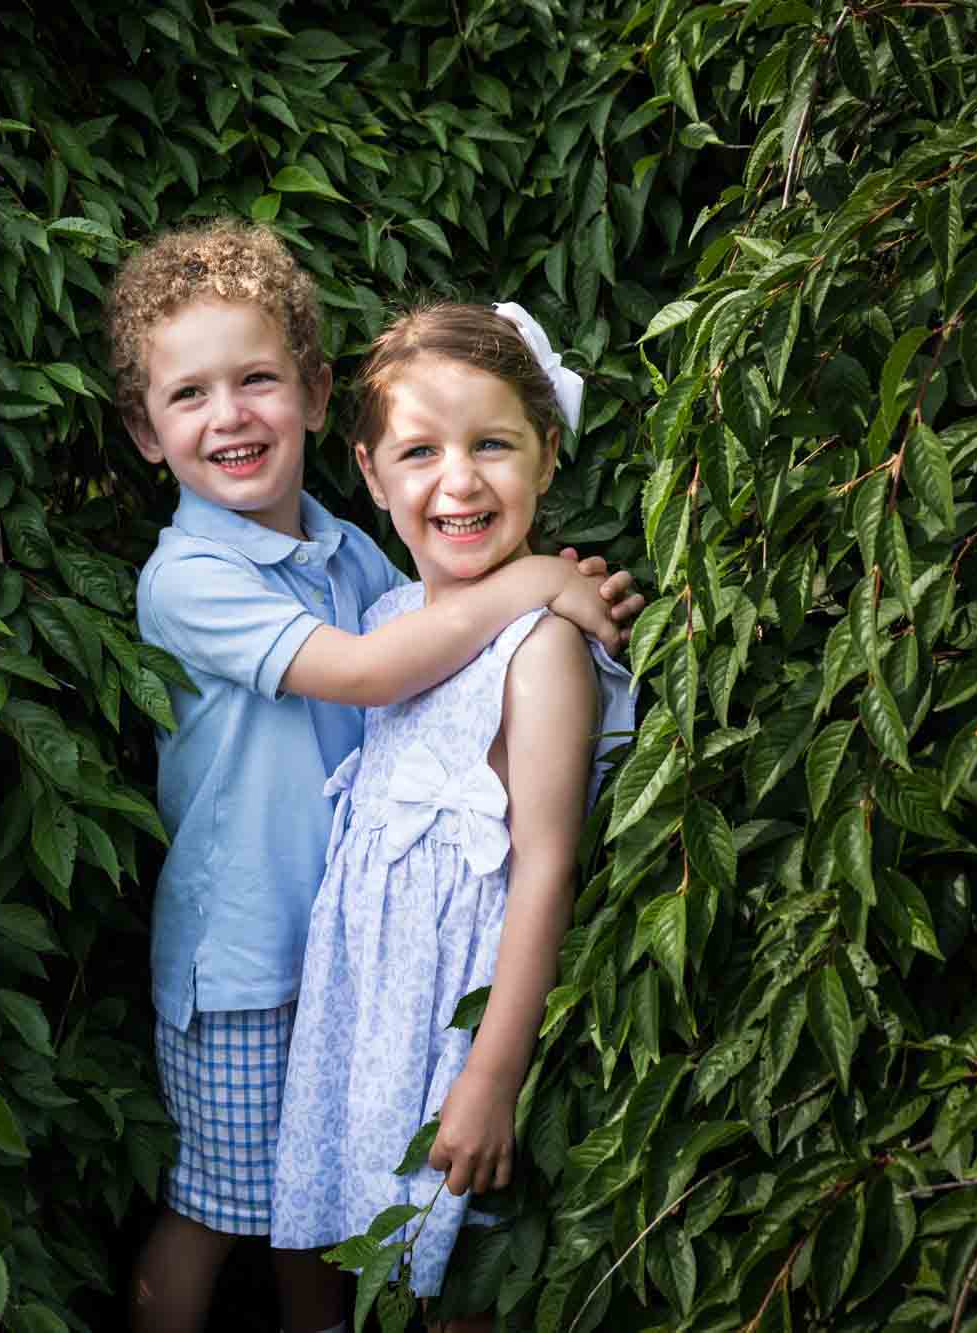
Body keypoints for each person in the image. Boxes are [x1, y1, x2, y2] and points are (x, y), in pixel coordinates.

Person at [106, 222, 642, 1333]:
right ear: (145, 433)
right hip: (250, 955)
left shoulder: (352, 554)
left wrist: (543, 593)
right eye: (189, 394)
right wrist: (535, 577)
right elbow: (363, 674)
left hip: (366, 955)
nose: (229, 414)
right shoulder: (187, 580)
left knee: (327, 1209)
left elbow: (443, 657)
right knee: (221, 1210)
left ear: (311, 394)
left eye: (256, 379)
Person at [270, 301, 635, 1331]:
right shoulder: (390, 618)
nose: (459, 480)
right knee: (329, 1251)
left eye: (492, 445)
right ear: (372, 476)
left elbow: (543, 868)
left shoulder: (543, 653)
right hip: (361, 1013)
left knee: (447, 1282)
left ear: (546, 455)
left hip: (454, 1026)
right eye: (419, 451)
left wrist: (488, 1075)